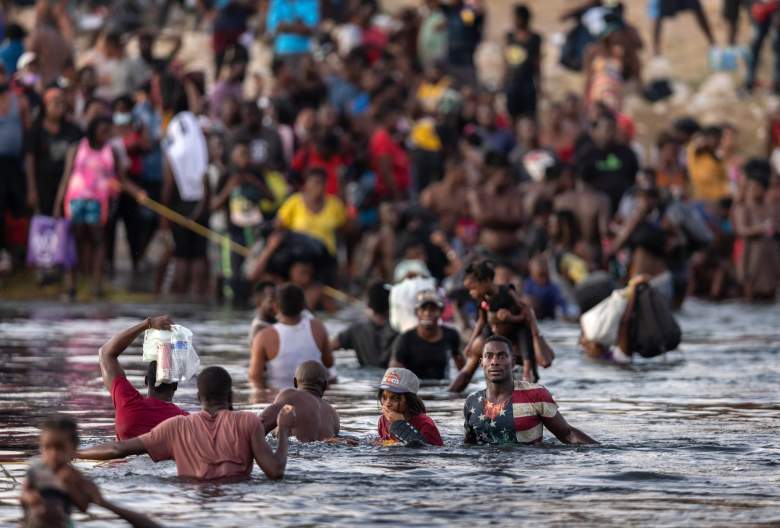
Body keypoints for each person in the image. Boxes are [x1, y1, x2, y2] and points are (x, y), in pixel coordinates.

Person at [78, 366, 295, 481]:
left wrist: (75, 453)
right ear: (230, 395)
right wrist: (283, 429)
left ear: (199, 396)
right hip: (237, 503)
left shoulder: (177, 426)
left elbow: (118, 449)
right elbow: (275, 472)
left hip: (189, 501)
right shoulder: (248, 422)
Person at [53, 116, 145, 299]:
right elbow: (66, 176)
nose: (105, 135)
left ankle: (96, 284)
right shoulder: (77, 147)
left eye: (107, 131)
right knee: (74, 240)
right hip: (75, 199)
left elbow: (122, 179)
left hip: (98, 202)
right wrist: (57, 204)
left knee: (98, 240)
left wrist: (138, 193)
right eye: (102, 131)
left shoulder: (112, 151)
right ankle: (71, 284)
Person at [20, 415, 162, 528]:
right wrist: (30, 497)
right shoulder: (36, 470)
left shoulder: (75, 477)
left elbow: (83, 506)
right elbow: (24, 495)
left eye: (60, 448)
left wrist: (71, 488)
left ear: (74, 450)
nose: (53, 454)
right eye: (47, 448)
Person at [463, 336, 597, 445]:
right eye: (489, 356)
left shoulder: (535, 394)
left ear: (513, 362)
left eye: (502, 356)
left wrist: (603, 452)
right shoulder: (472, 401)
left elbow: (568, 435)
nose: (494, 362)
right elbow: (468, 446)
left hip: (526, 472)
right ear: (481, 363)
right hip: (484, 476)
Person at [98, 315, 188, 440]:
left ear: (146, 380)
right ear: (175, 385)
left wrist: (147, 324)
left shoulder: (128, 404)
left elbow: (105, 353)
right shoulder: (185, 422)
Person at [249, 283, 333, 388]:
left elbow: (254, 377)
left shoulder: (263, 337)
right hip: (313, 394)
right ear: (303, 306)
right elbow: (329, 363)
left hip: (279, 397)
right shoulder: (318, 327)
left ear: (276, 306)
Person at [574, 110, 639, 214]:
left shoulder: (627, 153)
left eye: (613, 129)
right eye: (607, 129)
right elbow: (581, 184)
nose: (610, 133)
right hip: (596, 207)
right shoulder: (587, 154)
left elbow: (634, 181)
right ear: (597, 131)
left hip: (624, 207)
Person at [390, 290, 465, 380]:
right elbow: (394, 371)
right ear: (417, 312)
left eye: (432, 309)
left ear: (440, 312)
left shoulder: (451, 335)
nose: (427, 313)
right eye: (423, 309)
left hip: (441, 389)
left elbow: (463, 369)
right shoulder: (405, 339)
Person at [733, 158, 780, 301]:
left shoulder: (771, 207)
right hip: (751, 256)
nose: (754, 191)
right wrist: (761, 228)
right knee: (750, 295)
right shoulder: (743, 207)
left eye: (757, 188)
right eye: (752, 187)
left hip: (770, 258)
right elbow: (741, 230)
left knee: (770, 294)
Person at [261, 361, 339, 442]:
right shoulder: (333, 414)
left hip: (294, 451)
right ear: (325, 385)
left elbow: (261, 424)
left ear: (295, 382)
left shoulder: (290, 396)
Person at [331, 281, 398, 368]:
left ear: (369, 303)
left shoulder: (355, 330)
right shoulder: (400, 331)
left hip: (365, 376)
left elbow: (327, 348)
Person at [377, 367, 443, 446]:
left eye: (395, 398)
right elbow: (384, 442)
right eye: (384, 397)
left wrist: (400, 424)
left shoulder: (425, 424)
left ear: (409, 400)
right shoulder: (383, 421)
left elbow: (431, 450)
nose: (387, 404)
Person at [504, 4, 542, 122]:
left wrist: (540, 84)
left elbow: (537, 63)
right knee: (511, 116)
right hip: (512, 83)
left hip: (527, 82)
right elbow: (505, 61)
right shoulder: (509, 37)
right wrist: (504, 81)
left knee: (529, 116)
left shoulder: (535, 38)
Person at [249, 281, 277, 345]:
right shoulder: (260, 330)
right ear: (258, 301)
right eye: (271, 301)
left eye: (278, 300)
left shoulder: (274, 322)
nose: (276, 305)